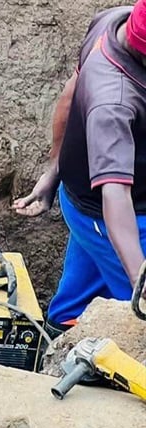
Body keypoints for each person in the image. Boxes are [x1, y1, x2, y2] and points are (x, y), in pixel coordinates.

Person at [13, 1, 146, 334]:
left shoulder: (115, 21)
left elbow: (71, 96)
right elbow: (115, 196)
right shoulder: (113, 103)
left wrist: (53, 170)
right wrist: (140, 282)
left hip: (80, 199)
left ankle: (61, 334)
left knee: (78, 301)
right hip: (113, 214)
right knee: (139, 319)